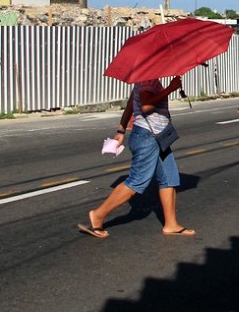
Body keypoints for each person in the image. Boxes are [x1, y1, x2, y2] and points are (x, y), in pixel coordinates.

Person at [79, 75, 195, 239]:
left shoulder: (145, 78)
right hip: (148, 137)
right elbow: (147, 107)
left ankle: (171, 224)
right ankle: (98, 215)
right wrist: (171, 88)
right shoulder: (149, 79)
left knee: (169, 177)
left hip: (158, 136)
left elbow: (130, 105)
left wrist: (120, 130)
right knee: (137, 181)